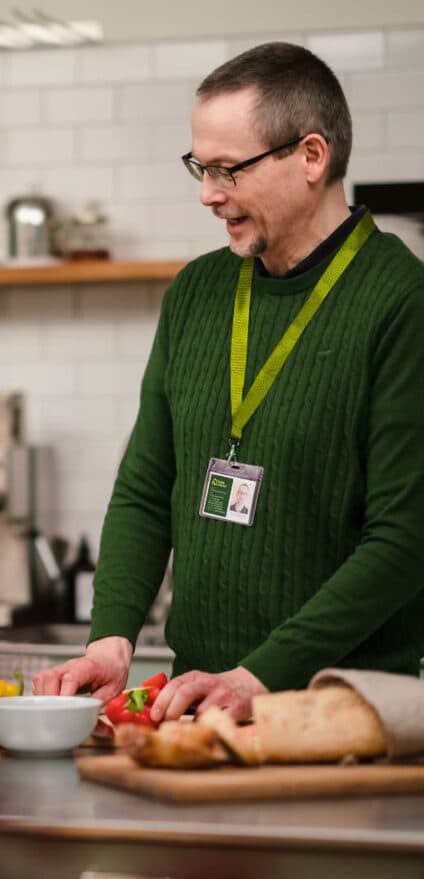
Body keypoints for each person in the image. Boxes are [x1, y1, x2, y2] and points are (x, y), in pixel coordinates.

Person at [33, 42, 424, 722]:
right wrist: (111, 638)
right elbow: (146, 488)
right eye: (200, 167)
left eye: (227, 170)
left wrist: (257, 676)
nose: (208, 194)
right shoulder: (197, 291)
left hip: (339, 715)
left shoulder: (402, 301)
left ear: (311, 156)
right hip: (198, 707)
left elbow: (404, 538)